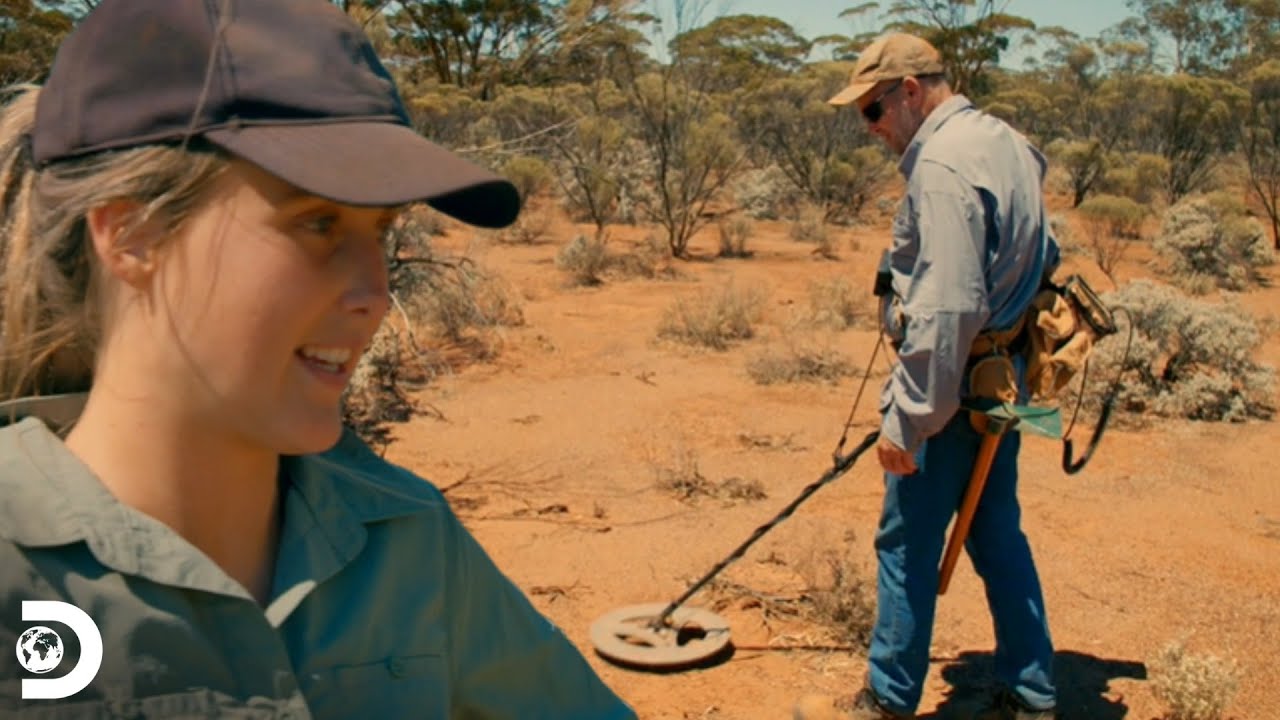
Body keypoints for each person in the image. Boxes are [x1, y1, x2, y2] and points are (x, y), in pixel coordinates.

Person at [0, 1, 637, 718]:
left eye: (382, 231)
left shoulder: (405, 542)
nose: (375, 291)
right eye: (318, 222)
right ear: (132, 235)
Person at [793, 33, 1061, 720]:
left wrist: (909, 420)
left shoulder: (940, 167)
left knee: (907, 540)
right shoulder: (1007, 141)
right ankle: (1032, 693)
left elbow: (946, 312)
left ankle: (887, 698)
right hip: (1003, 380)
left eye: (873, 111)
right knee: (996, 524)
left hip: (956, 387)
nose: (872, 129)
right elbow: (1045, 250)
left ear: (910, 91)